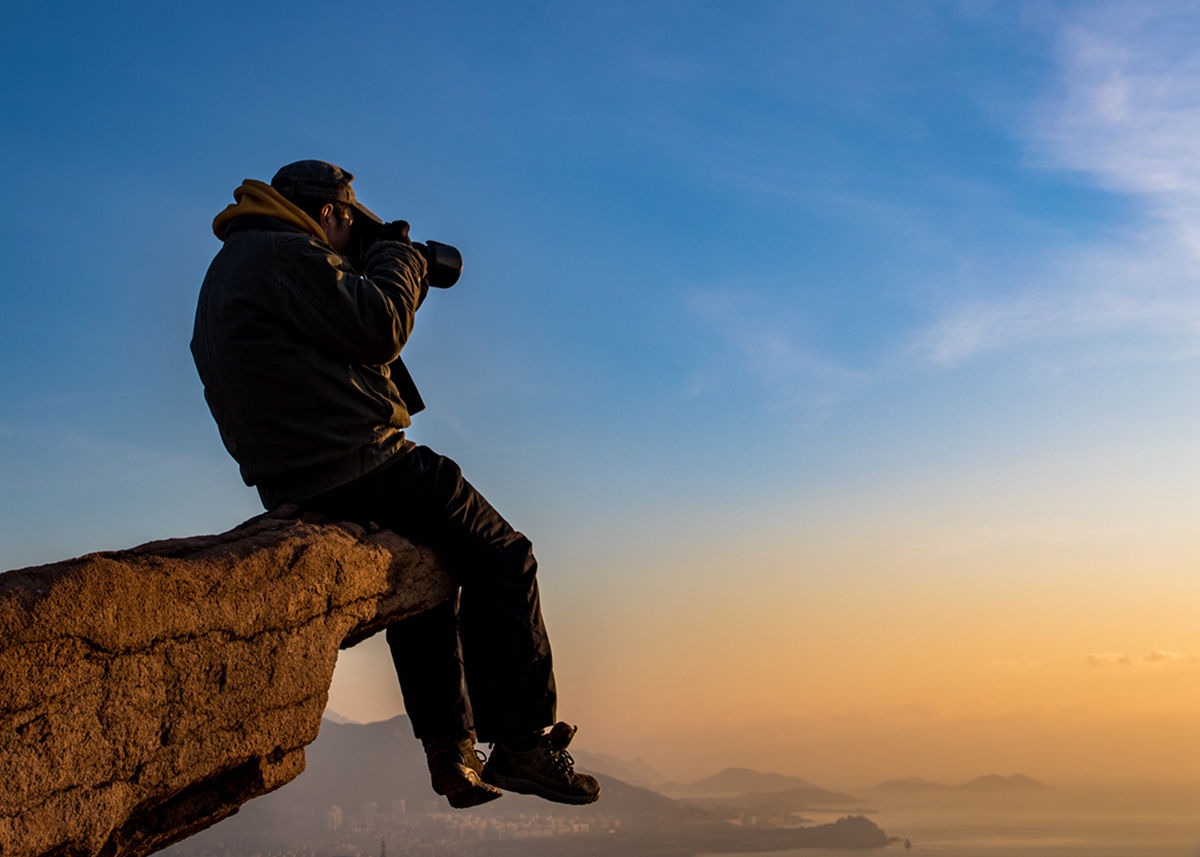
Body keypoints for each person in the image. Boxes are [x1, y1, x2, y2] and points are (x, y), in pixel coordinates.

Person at [190, 159, 599, 809]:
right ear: (329, 213)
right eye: (350, 224)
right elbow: (379, 327)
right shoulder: (283, 251)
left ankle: (452, 753)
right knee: (504, 553)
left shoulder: (239, 263)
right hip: (358, 460)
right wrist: (402, 261)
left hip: (297, 476)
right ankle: (522, 741)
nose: (351, 239)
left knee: (429, 574)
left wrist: (369, 259)